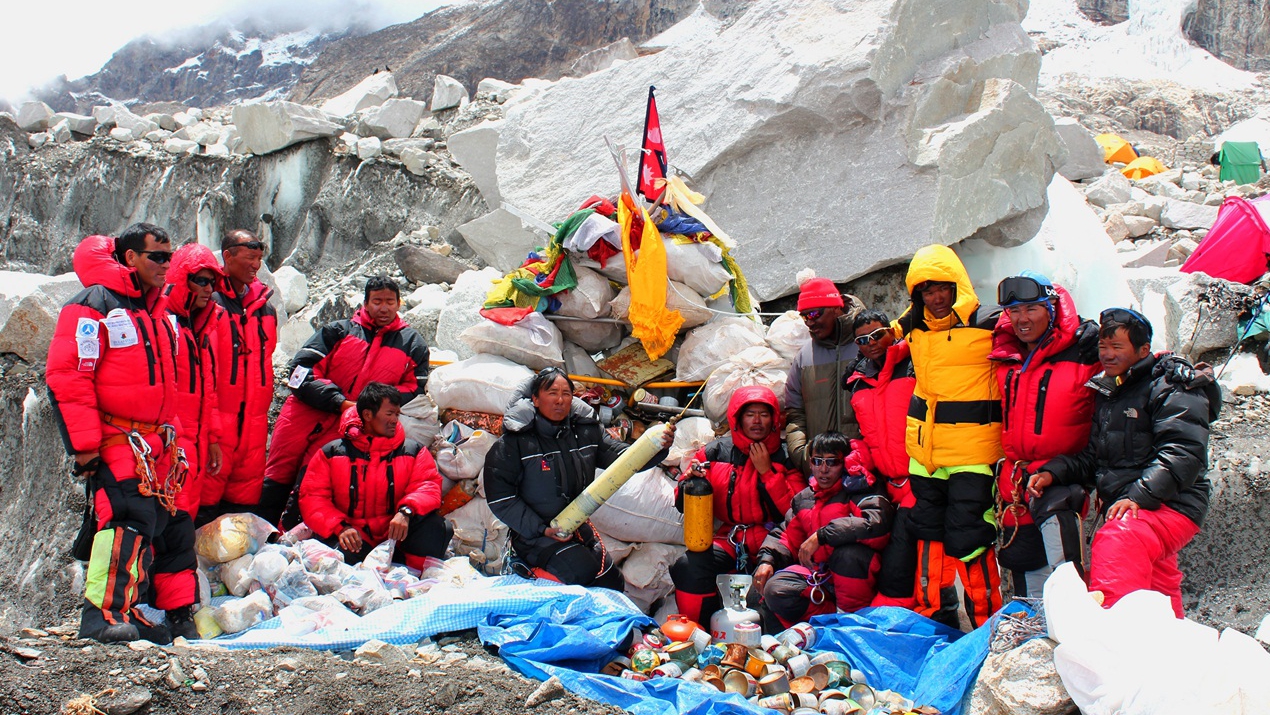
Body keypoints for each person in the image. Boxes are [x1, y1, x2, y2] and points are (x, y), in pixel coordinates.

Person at [46, 225, 195, 643]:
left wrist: (175, 436)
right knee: (126, 520)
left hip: (155, 442)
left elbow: (168, 385)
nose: (167, 265)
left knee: (154, 521)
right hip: (118, 438)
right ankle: (101, 616)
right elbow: (69, 376)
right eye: (157, 257)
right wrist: (85, 447)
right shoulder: (93, 305)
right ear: (130, 258)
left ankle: (126, 608)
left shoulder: (156, 311)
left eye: (170, 256)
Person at [1028, 309, 1220, 617]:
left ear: (1144, 350)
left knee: (1118, 539)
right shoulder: (1111, 391)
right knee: (1158, 582)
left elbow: (1183, 453)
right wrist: (1054, 472)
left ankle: (1111, 635)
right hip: (1134, 505)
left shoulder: (1171, 384)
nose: (1107, 355)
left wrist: (1137, 497)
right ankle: (1178, 648)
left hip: (1171, 503)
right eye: (1104, 347)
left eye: (1117, 347)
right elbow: (1095, 458)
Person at [259, 275, 430, 526]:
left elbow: (415, 386)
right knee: (275, 478)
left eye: (390, 302)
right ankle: (258, 534)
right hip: (304, 414)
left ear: (398, 304)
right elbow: (300, 371)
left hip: (353, 425)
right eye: (377, 301)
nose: (384, 308)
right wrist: (338, 401)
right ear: (365, 303)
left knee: (314, 483)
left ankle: (292, 542)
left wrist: (372, 406)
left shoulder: (412, 343)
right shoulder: (338, 331)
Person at [485, 368, 674, 588]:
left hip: (574, 525)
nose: (560, 400)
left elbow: (624, 461)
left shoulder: (585, 433)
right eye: (552, 393)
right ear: (535, 399)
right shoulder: (514, 443)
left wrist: (656, 447)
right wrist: (541, 529)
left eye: (566, 393)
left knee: (612, 581)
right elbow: (501, 498)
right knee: (582, 575)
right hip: (534, 537)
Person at [895, 244, 1003, 629]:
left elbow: (1038, 333)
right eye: (926, 290)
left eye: (943, 287)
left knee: (970, 537)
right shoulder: (914, 325)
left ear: (958, 285)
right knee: (927, 536)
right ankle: (933, 625)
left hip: (974, 453)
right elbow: (881, 337)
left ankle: (988, 628)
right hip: (926, 453)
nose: (936, 297)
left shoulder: (990, 321)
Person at [989, 272, 1098, 598]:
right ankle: (1032, 644)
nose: (1022, 319)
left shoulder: (1085, 352)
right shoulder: (1006, 355)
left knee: (1067, 581)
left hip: (1064, 479)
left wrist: (1169, 365)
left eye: (1031, 309)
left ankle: (1073, 639)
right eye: (1015, 311)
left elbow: (1131, 361)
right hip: (1016, 483)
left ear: (1052, 306)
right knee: (1026, 581)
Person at [669, 385, 804, 624]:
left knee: (777, 586)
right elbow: (683, 502)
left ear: (774, 419)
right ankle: (696, 631)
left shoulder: (785, 457)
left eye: (764, 414)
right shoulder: (716, 452)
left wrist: (767, 473)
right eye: (750, 414)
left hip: (775, 539)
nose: (757, 421)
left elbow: (795, 511)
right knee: (689, 566)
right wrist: (688, 483)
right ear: (737, 419)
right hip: (732, 538)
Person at [299, 382, 451, 568]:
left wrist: (406, 512)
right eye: (389, 414)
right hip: (354, 537)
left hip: (398, 538)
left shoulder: (413, 450)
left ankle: (415, 578)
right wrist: (340, 527)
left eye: (397, 414)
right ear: (367, 415)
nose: (395, 420)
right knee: (334, 560)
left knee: (437, 527)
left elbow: (428, 486)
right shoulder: (331, 453)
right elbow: (312, 497)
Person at [755, 432, 894, 627]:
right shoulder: (805, 498)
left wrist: (822, 536)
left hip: (858, 581)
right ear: (810, 463)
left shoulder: (861, 489)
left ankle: (853, 623)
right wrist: (767, 560)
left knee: (848, 555)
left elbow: (877, 524)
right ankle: (829, 622)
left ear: (844, 463)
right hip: (821, 579)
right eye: (817, 461)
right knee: (774, 588)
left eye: (832, 462)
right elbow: (786, 534)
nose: (824, 469)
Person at [843, 309, 919, 609]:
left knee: (910, 564)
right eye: (862, 340)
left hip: (921, 480)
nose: (871, 343)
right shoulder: (858, 382)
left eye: (877, 335)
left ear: (892, 331)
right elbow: (868, 434)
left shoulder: (914, 364)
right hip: (887, 485)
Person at [206, 229, 278, 523]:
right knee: (204, 500)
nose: (255, 265)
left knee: (241, 508)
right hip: (218, 424)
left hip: (254, 424)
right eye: (250, 257)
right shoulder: (208, 302)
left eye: (259, 259)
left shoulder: (266, 310)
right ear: (227, 256)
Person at [163, 244, 227, 525]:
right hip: (172, 440)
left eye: (212, 282)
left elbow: (207, 390)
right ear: (180, 278)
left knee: (185, 511)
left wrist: (212, 438)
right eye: (200, 280)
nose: (208, 289)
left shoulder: (199, 325)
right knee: (170, 511)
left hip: (196, 438)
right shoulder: (162, 322)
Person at [784, 274, 864, 473]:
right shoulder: (804, 358)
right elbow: (795, 414)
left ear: (836, 308)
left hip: (865, 467)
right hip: (822, 472)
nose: (809, 323)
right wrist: (803, 455)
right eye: (804, 317)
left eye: (814, 314)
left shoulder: (866, 346)